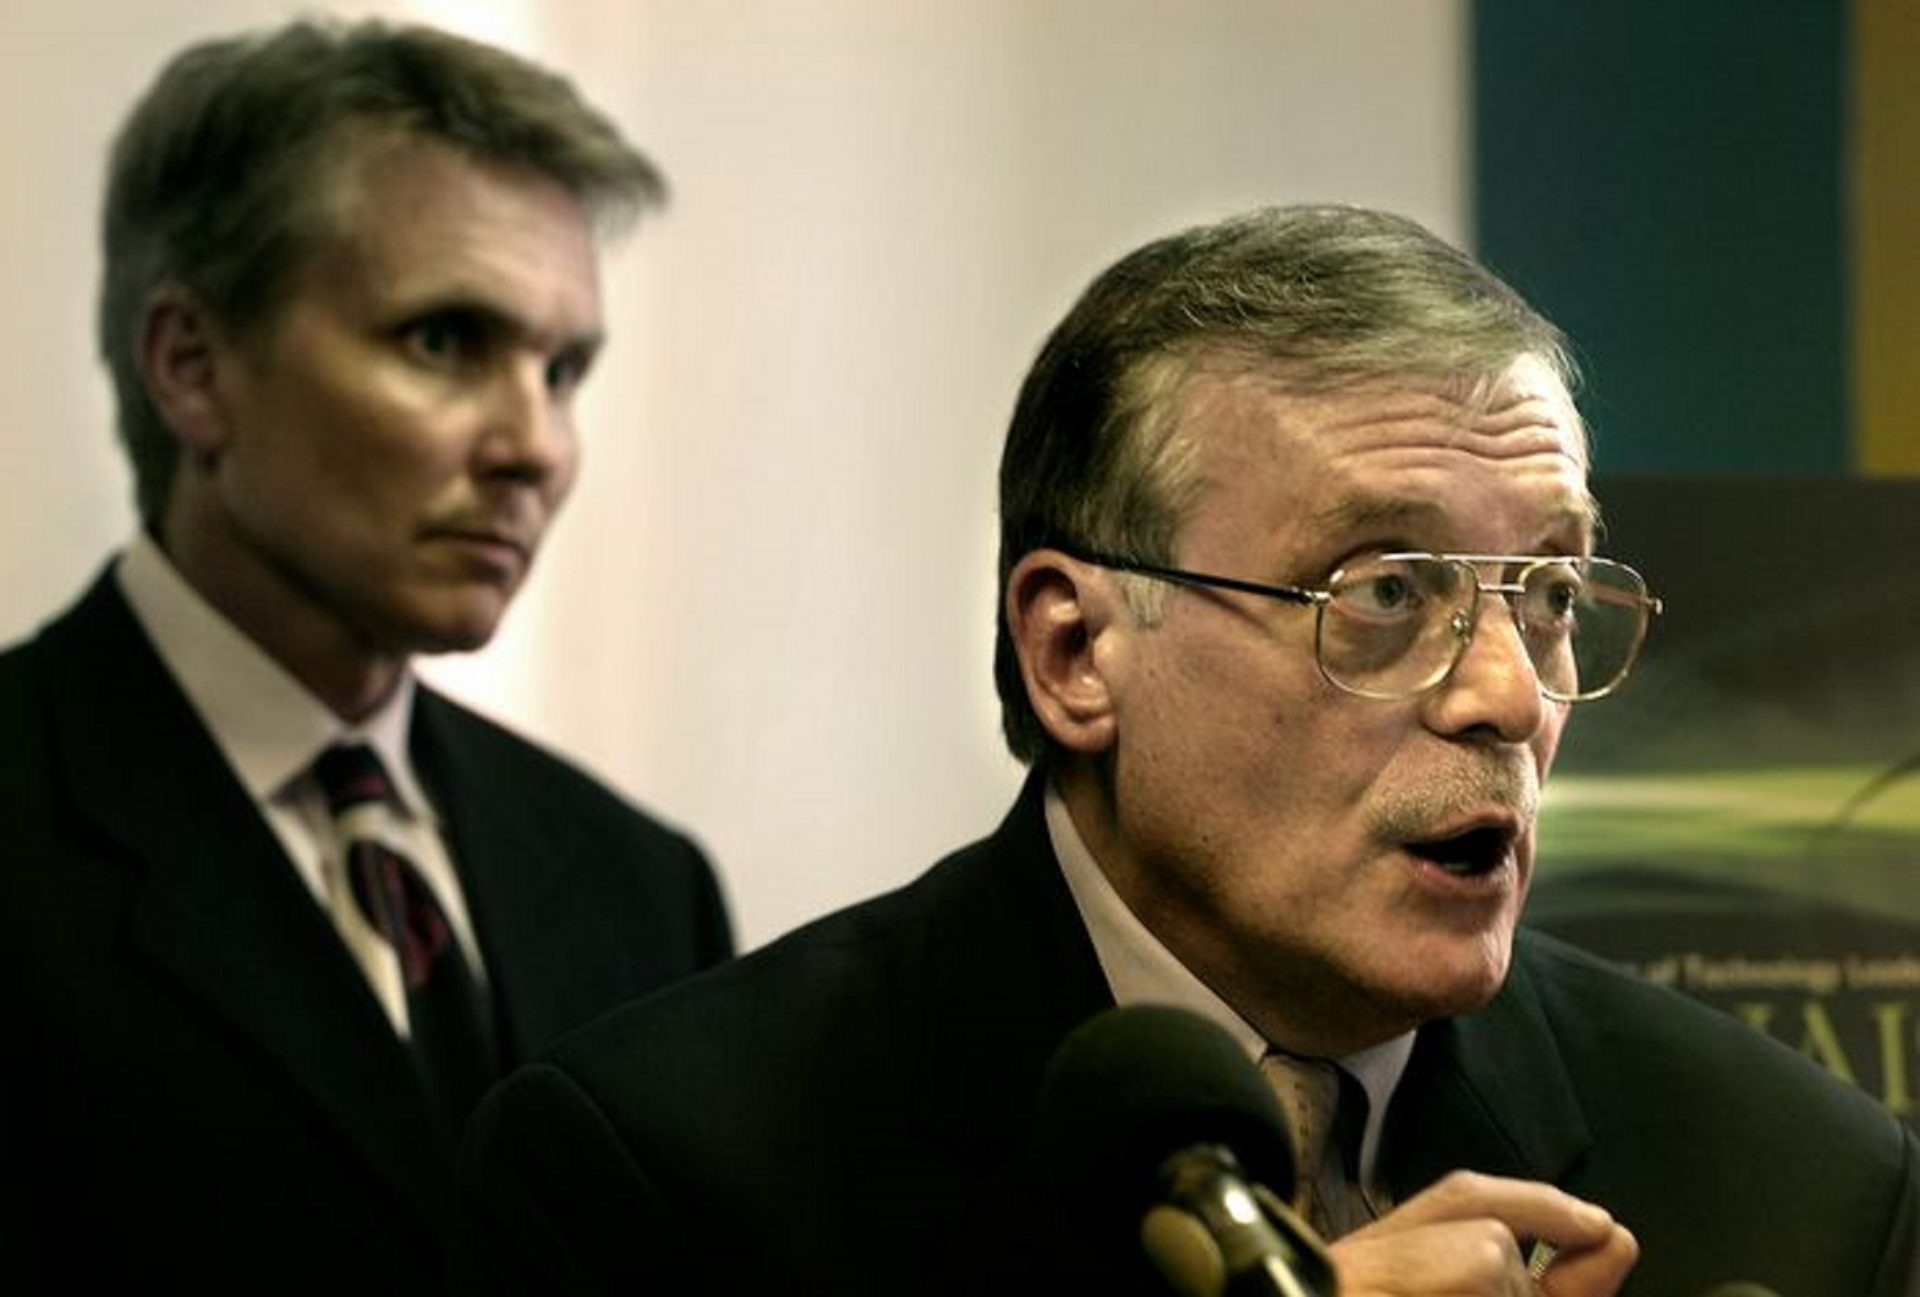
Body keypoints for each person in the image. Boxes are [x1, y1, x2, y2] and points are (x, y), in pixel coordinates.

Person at [457, 206, 1919, 1296]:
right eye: (1387, 593)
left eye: (1543, 596)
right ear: (1076, 653)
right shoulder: (665, 1180)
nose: (1503, 697)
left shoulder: (1795, 1187)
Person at [0, 17, 732, 1295]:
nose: (537, 447)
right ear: (193, 367)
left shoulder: (642, 889)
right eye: (445, 341)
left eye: (563, 371)